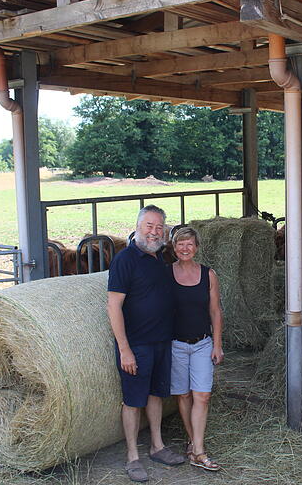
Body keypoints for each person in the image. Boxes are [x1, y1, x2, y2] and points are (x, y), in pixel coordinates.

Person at [107, 205, 186, 483]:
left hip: (162, 342)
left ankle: (157, 446)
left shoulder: (162, 258)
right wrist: (125, 349)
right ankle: (132, 457)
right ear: (138, 226)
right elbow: (114, 306)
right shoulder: (125, 260)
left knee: (156, 395)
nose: (154, 232)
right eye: (149, 226)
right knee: (133, 401)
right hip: (136, 345)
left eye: (159, 227)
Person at [169, 227, 224, 471]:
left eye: (189, 244)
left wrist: (217, 344)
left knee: (202, 395)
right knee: (183, 395)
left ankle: (199, 450)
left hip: (202, 343)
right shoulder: (166, 274)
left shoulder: (208, 274)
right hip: (175, 345)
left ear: (197, 247)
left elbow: (215, 311)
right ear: (174, 247)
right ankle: (193, 443)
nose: (184, 248)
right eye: (180, 244)